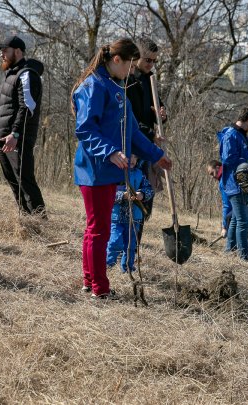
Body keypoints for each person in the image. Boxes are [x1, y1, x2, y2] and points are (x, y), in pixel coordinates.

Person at [71, 38, 172, 299]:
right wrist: (110, 151)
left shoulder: (115, 86)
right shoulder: (93, 85)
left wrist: (157, 155)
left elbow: (134, 133)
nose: (132, 69)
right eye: (129, 64)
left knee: (95, 227)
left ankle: (89, 279)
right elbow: (85, 129)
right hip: (95, 170)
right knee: (99, 230)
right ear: (117, 60)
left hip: (108, 169)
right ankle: (100, 289)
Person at [0, 35, 46, 216]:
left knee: (25, 180)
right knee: (13, 180)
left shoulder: (27, 75)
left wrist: (15, 134)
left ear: (17, 51)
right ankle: (26, 220)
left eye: (5, 50)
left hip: (18, 138)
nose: (2, 54)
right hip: (5, 139)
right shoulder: (12, 73)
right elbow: (7, 111)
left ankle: (40, 221)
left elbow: (28, 107)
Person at [126, 37, 167, 243]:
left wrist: (161, 113)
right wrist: (149, 134)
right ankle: (125, 243)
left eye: (154, 61)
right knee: (130, 196)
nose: (151, 64)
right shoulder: (128, 80)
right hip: (133, 145)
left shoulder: (150, 80)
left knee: (146, 195)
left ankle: (136, 244)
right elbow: (128, 119)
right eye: (147, 60)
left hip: (148, 146)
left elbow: (156, 110)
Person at [219, 107, 248, 261]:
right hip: (234, 183)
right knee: (244, 221)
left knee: (236, 219)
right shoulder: (231, 135)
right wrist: (245, 163)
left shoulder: (241, 135)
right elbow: (227, 158)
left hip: (242, 183)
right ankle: (243, 255)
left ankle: (230, 249)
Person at [107, 155, 154, 273]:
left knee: (130, 245)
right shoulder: (116, 174)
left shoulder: (140, 174)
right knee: (114, 242)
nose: (132, 160)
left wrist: (142, 194)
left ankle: (127, 268)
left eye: (135, 157)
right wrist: (122, 195)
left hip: (134, 218)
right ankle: (108, 265)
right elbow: (107, 194)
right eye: (129, 156)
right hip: (116, 217)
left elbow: (149, 190)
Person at [206, 159, 232, 241]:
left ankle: (229, 250)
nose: (212, 177)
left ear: (217, 168)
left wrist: (224, 227)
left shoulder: (223, 181)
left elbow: (226, 205)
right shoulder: (230, 172)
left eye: (212, 173)